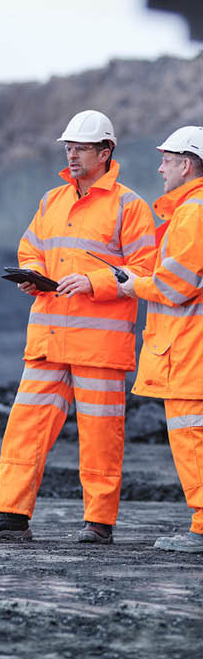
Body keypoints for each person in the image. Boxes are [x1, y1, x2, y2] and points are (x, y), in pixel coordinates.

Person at [0, 110, 156, 545]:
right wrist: (31, 274)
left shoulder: (130, 206)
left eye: (81, 147)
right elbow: (32, 247)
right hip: (48, 340)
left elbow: (145, 271)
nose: (72, 153)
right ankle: (10, 517)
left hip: (99, 345)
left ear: (106, 152)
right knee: (24, 427)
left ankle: (98, 524)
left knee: (101, 435)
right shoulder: (52, 201)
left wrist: (94, 281)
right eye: (69, 146)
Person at [120, 126, 203, 553]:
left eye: (166, 160)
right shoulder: (188, 212)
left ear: (186, 165)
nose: (159, 168)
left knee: (192, 437)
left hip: (190, 351)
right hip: (191, 347)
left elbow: (176, 285)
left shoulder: (193, 212)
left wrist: (135, 286)